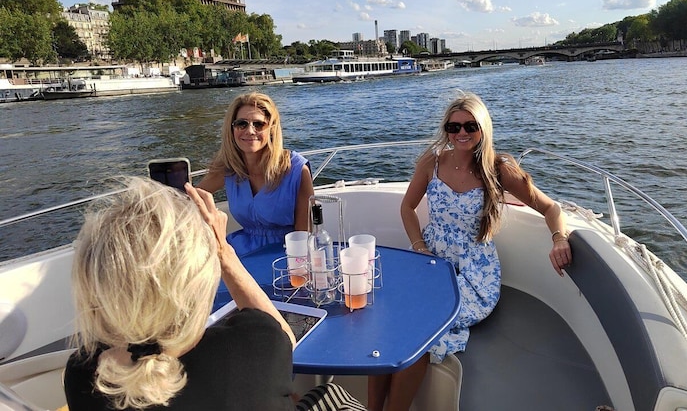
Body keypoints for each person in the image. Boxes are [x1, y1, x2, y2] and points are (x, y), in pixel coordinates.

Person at [64, 177, 365, 411]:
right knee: (329, 394)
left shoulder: (84, 374)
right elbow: (282, 335)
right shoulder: (251, 348)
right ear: (197, 281)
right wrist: (224, 252)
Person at [367, 92, 572, 411]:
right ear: (446, 130)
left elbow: (550, 207)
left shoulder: (499, 168)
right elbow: (407, 207)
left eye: (470, 126)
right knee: (387, 321)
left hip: (474, 274)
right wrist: (419, 247)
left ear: (483, 128)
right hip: (429, 262)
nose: (461, 133)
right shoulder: (431, 161)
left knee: (419, 334)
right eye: (454, 127)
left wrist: (559, 238)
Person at [198, 92, 315, 255]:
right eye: (241, 124)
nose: (250, 131)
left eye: (259, 124)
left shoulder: (296, 170)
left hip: (286, 254)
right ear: (232, 129)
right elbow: (191, 197)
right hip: (241, 251)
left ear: (271, 128)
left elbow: (304, 237)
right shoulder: (229, 168)